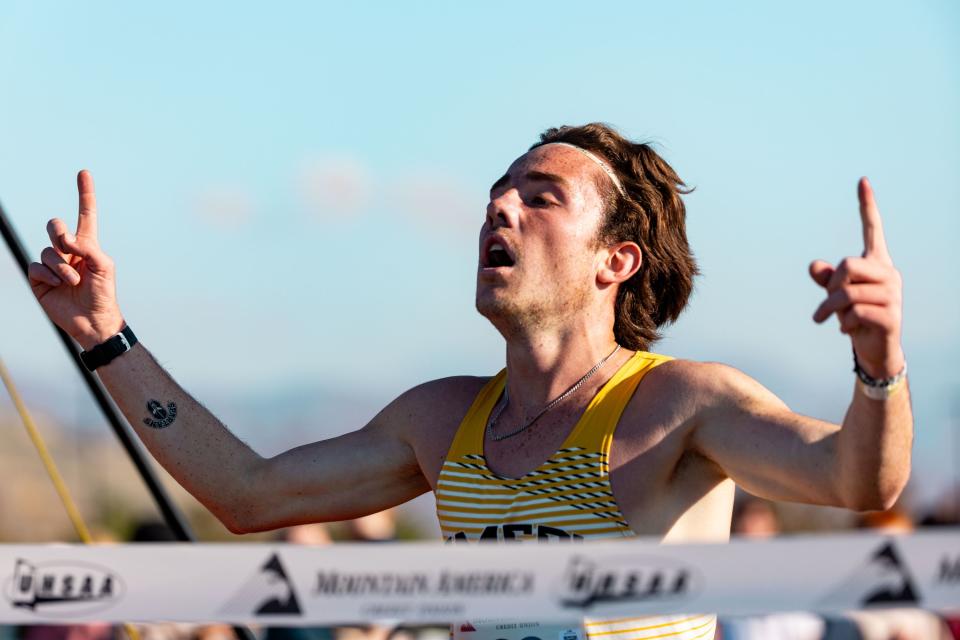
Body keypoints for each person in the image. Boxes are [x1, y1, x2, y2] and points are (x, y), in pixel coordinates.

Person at [28, 123, 913, 640]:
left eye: (541, 196)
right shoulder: (442, 417)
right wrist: (105, 337)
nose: (499, 208)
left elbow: (859, 480)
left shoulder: (682, 402)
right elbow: (247, 495)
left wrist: (878, 363)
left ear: (617, 260)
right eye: (498, 193)